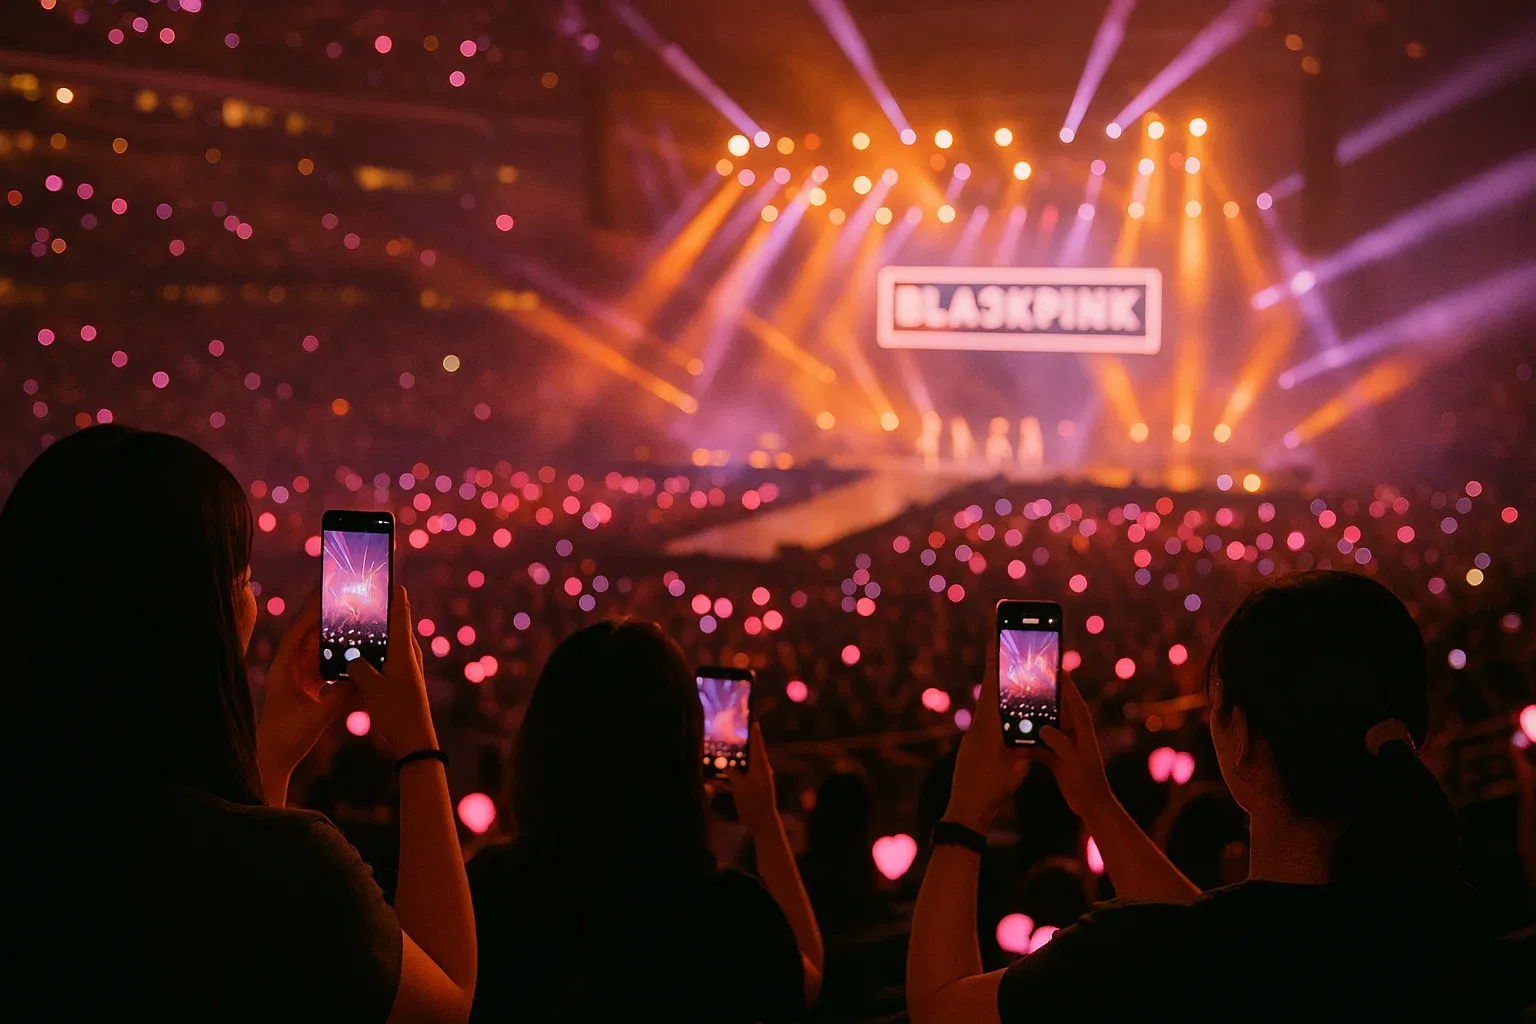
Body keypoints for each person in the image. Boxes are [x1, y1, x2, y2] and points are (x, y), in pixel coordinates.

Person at [0, 425, 476, 1022]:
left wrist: (270, 757)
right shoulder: (294, 871)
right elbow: (447, 998)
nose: (251, 599)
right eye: (241, 582)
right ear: (196, 624)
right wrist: (417, 744)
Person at [907, 571, 1531, 1022]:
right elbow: (1216, 936)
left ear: (1243, 738)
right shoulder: (1446, 918)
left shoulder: (1126, 958)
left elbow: (939, 1008)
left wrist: (966, 812)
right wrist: (1094, 802)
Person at [467, 618, 822, 1023]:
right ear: (683, 754)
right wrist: (764, 819)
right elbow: (807, 976)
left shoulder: (486, 890)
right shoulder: (728, 914)